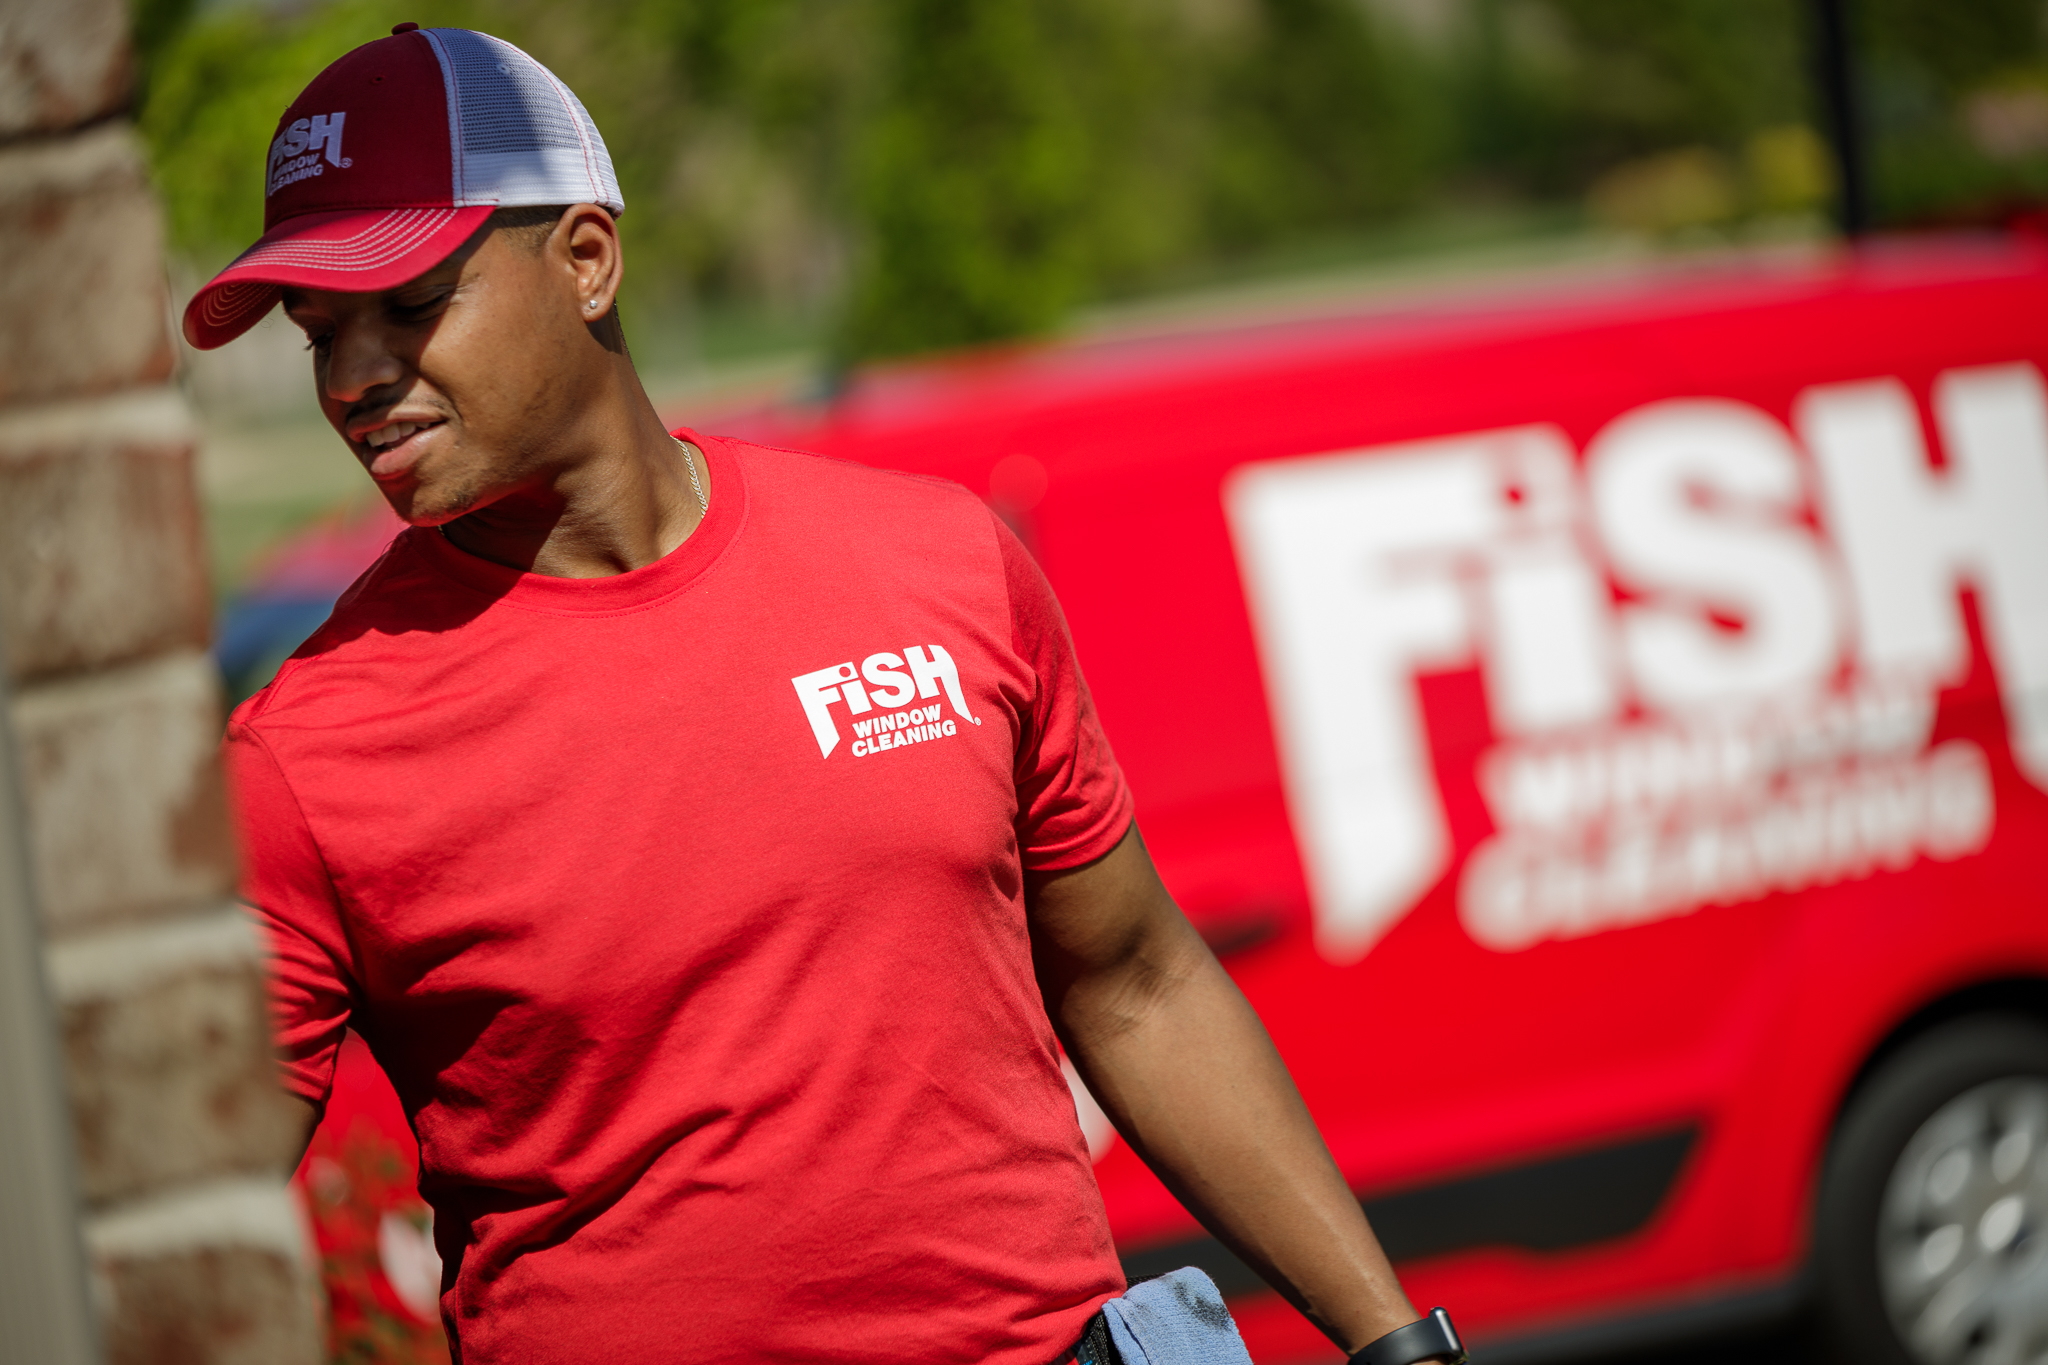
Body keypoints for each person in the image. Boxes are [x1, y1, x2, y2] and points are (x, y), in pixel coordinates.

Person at [193, 25, 1462, 1365]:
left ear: (587, 259)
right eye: (319, 335)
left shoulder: (939, 561)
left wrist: (1396, 1343)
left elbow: (1136, 980)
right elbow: (183, 1228)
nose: (354, 378)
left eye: (409, 305)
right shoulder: (305, 757)